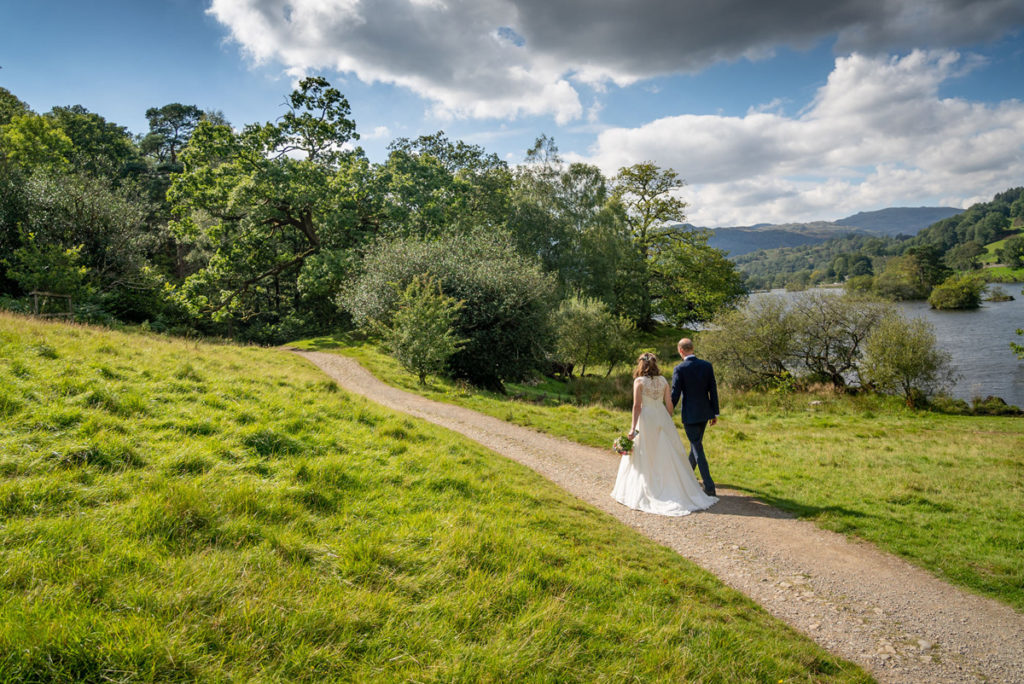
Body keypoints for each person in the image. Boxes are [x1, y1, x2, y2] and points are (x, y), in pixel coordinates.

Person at [611, 352, 718, 516]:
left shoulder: (639, 381)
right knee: (666, 451)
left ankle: (651, 486)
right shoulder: (663, 381)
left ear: (641, 365)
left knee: (646, 451)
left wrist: (632, 428)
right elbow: (669, 404)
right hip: (661, 416)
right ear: (655, 364)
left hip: (646, 418)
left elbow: (636, 406)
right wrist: (666, 419)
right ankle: (672, 485)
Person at [670, 338, 719, 496]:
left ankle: (709, 486)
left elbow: (675, 393)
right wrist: (715, 412)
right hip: (705, 413)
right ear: (692, 348)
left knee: (697, 447)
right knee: (695, 445)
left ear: (681, 351)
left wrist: (667, 411)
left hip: (690, 415)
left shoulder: (679, 368)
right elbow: (713, 389)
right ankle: (688, 476)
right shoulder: (707, 365)